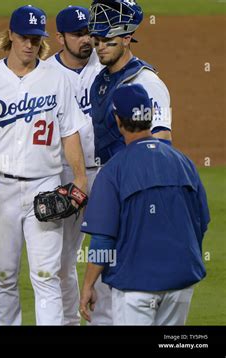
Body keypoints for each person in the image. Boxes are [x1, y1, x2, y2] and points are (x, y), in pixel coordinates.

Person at [0, 5, 88, 325]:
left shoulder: (57, 79)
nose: (30, 44)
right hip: (0, 189)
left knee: (46, 274)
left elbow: (71, 133)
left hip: (46, 186)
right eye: (24, 37)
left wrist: (80, 178)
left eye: (36, 38)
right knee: (3, 274)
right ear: (10, 35)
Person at [79, 83, 209, 325]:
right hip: (180, 282)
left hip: (135, 287)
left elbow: (103, 241)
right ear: (150, 116)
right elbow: (200, 223)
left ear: (118, 120)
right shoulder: (184, 162)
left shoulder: (113, 171)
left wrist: (88, 285)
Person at [86, 0, 174, 324]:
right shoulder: (103, 79)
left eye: (108, 41)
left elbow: (161, 144)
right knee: (107, 285)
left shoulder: (147, 83)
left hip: (133, 194)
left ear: (127, 39)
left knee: (126, 285)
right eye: (96, 41)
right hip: (109, 187)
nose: (99, 48)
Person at [46, 5, 105, 326]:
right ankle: (69, 323)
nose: (87, 40)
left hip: (106, 173)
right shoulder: (46, 75)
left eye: (90, 33)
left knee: (110, 254)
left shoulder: (106, 64)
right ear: (60, 38)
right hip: (65, 177)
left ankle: (107, 321)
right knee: (63, 261)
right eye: (78, 34)